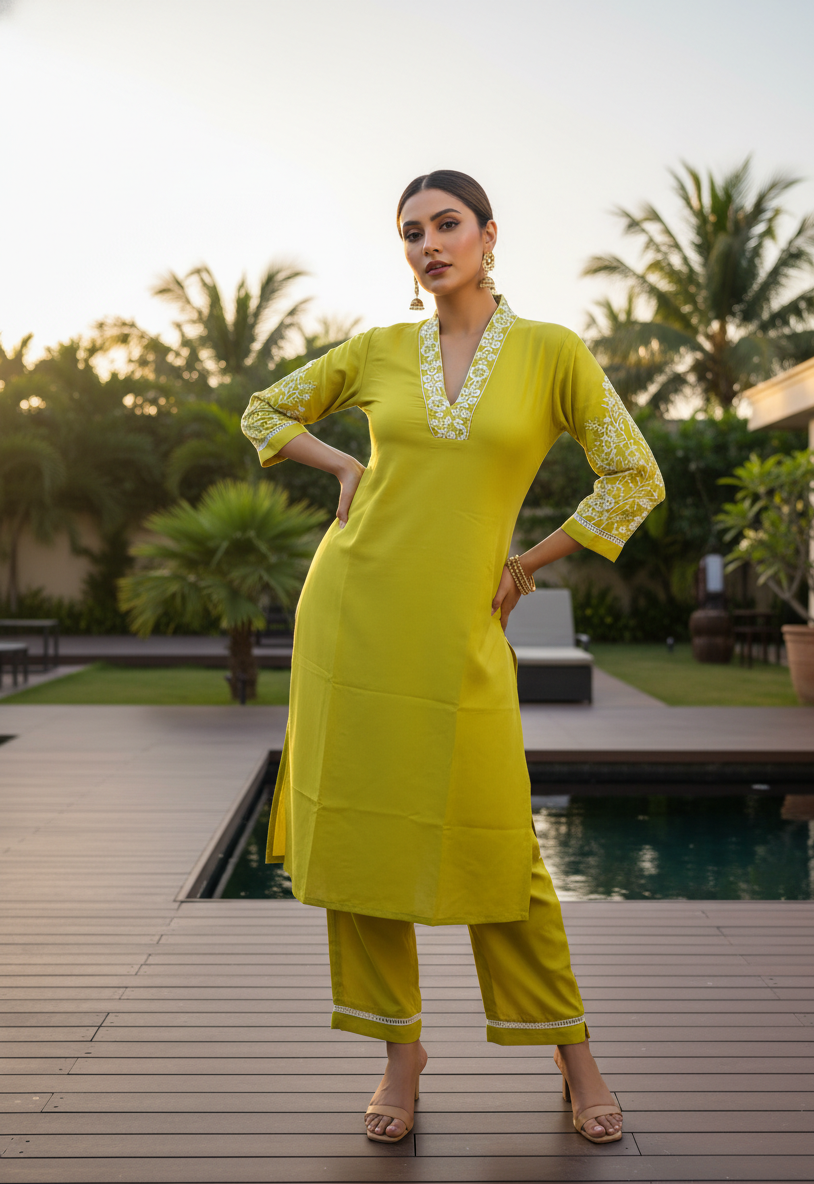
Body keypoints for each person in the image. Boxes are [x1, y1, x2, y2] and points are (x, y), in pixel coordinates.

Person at [241, 170, 664, 1145]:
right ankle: (400, 1052)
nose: (429, 243)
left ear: (488, 235)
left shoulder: (552, 353)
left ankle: (574, 1051)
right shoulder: (378, 351)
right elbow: (265, 411)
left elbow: (633, 475)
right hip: (353, 611)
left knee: (499, 839)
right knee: (362, 837)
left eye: (447, 224)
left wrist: (529, 563)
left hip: (461, 628)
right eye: (411, 232)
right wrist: (342, 461)